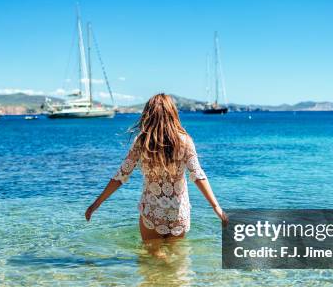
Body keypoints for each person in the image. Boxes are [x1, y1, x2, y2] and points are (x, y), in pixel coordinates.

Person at [85, 93, 228, 246]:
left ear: (148, 114)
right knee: (177, 260)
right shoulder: (184, 141)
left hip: (152, 211)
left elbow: (121, 176)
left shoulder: (142, 141)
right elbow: (197, 175)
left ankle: (160, 261)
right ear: (173, 113)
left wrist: (96, 204)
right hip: (178, 212)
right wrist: (216, 207)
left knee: (151, 258)